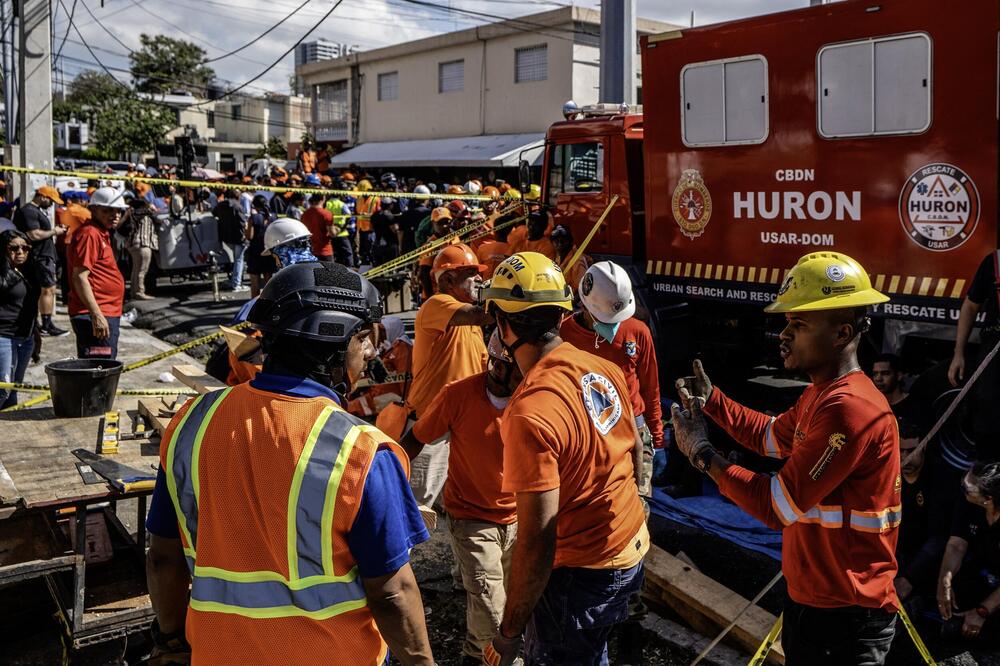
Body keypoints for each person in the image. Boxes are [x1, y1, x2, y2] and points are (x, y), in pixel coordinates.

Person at [144, 262, 434, 665]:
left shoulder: (191, 422)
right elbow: (392, 592)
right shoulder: (360, 451)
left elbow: (162, 557)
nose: (370, 353)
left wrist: (171, 640)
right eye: (365, 338)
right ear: (335, 338)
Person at [671, 251, 901, 665]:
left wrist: (703, 456)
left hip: (844, 619)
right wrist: (713, 402)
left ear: (841, 333)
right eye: (786, 322)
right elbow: (769, 436)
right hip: (817, 607)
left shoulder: (850, 409)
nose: (783, 334)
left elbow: (776, 504)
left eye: (798, 323)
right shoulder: (821, 394)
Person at [481, 252, 647, 665]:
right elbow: (636, 446)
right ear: (560, 315)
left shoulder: (529, 412)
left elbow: (537, 541)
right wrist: (643, 504)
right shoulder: (601, 368)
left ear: (502, 325)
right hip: (629, 547)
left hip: (581, 574)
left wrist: (509, 632)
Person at [400, 332, 521, 665]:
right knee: (494, 613)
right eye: (498, 364)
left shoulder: (531, 395)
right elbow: (416, 438)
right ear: (493, 364)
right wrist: (387, 478)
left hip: (517, 517)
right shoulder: (458, 395)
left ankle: (473, 654)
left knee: (502, 603)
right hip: (472, 519)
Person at [560, 261, 663, 500]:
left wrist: (656, 438)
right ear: (585, 306)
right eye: (607, 318)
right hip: (586, 433)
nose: (614, 325)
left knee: (638, 503)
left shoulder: (638, 332)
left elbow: (651, 388)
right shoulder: (564, 335)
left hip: (634, 429)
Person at [405, 244, 491, 512]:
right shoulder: (437, 304)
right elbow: (482, 314)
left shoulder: (470, 325)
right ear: (448, 280)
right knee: (414, 509)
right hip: (432, 428)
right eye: (471, 273)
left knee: (457, 506)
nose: (479, 278)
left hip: (459, 426)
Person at [936, 461, 1000, 644]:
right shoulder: (968, 504)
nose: (962, 488)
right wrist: (944, 581)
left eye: (968, 489)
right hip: (985, 568)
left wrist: (983, 610)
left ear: (987, 499)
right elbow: (956, 545)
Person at [948, 252, 1000, 460]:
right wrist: (958, 353)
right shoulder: (995, 262)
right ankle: (987, 470)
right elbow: (970, 305)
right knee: (987, 410)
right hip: (994, 352)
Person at [67, 187, 127, 359]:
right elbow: (80, 277)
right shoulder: (90, 234)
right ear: (93, 210)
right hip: (95, 314)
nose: (114, 215)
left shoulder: (100, 233)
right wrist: (97, 315)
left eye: (117, 211)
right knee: (98, 371)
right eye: (107, 210)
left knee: (102, 368)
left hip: (104, 311)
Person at [14, 186, 68, 337]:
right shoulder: (29, 211)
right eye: (50, 200)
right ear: (43, 196)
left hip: (43, 256)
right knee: (48, 289)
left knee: (45, 290)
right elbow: (33, 235)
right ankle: (46, 325)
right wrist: (54, 231)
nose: (51, 203)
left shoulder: (33, 211)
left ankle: (42, 323)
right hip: (40, 256)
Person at [0, 230, 40, 408]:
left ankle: (7, 430)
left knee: (14, 388)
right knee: (3, 389)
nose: (21, 252)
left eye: (25, 248)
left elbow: (31, 306)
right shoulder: (2, 273)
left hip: (26, 338)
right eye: (14, 248)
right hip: (4, 337)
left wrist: (36, 331)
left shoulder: (29, 270)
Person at [123, 197, 160, 301]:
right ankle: (140, 291)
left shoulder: (136, 214)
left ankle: (134, 292)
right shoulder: (138, 213)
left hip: (135, 244)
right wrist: (150, 208)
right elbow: (147, 212)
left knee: (136, 270)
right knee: (142, 270)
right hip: (142, 244)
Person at [212, 189, 249, 292]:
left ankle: (236, 281)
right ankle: (236, 284)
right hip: (238, 237)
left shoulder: (221, 205)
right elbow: (242, 223)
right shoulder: (238, 206)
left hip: (226, 237)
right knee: (239, 260)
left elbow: (213, 213)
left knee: (236, 259)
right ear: (238, 196)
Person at [245, 195, 275, 297]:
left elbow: (250, 236)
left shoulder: (253, 218)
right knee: (268, 283)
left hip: (255, 252)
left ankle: (255, 307)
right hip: (268, 251)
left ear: (254, 206)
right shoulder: (274, 217)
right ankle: (268, 305)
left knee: (255, 284)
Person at [550, 224, 591, 296]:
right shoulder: (558, 257)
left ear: (570, 242)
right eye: (556, 240)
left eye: (563, 240)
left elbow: (583, 291)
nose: (560, 243)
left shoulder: (577, 261)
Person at [303, 193, 335, 262]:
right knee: (330, 272)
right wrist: (338, 229)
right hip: (325, 251)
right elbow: (332, 233)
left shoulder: (305, 214)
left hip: (311, 250)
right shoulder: (327, 214)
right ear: (323, 199)